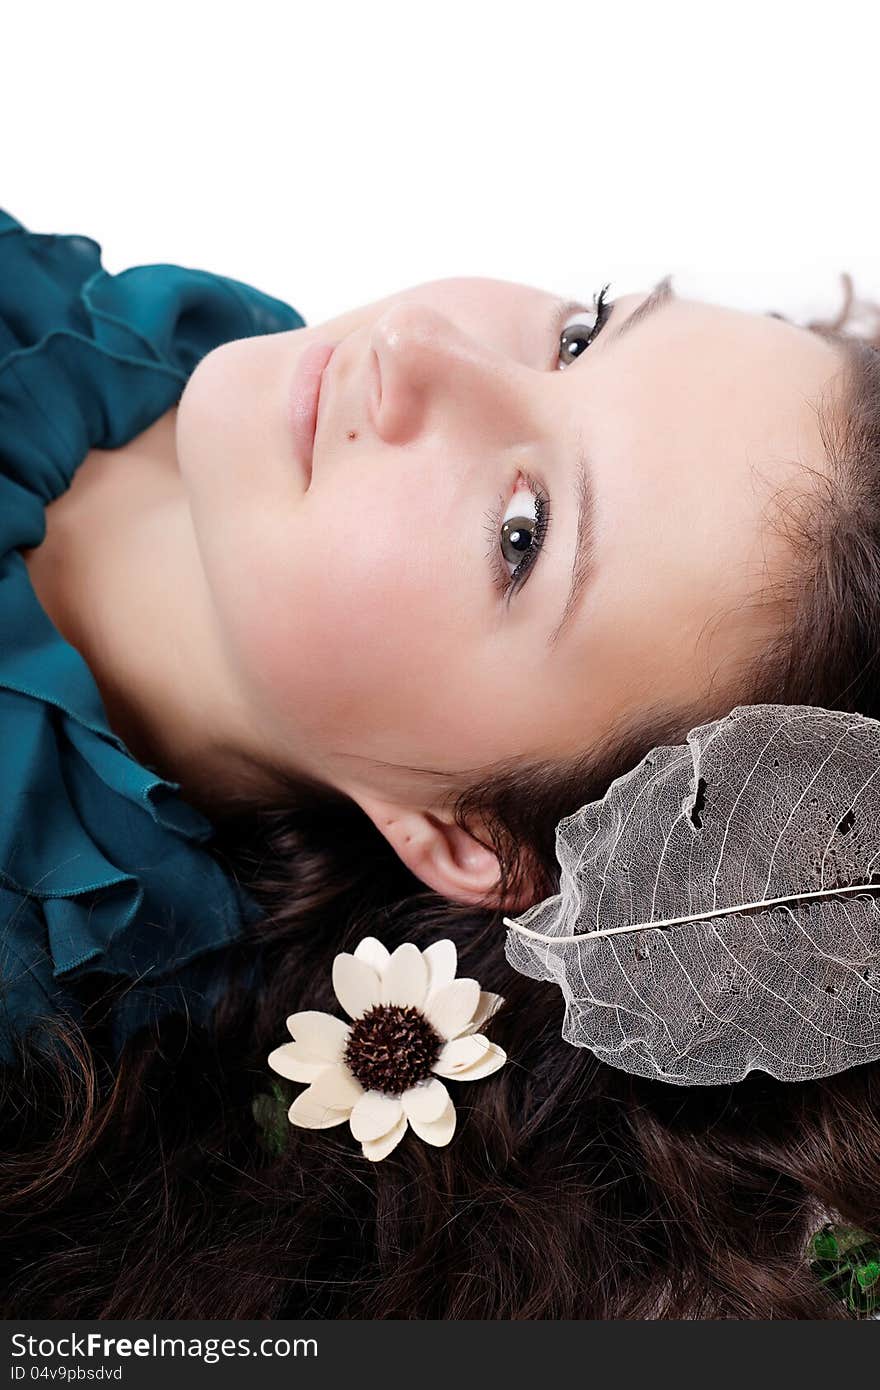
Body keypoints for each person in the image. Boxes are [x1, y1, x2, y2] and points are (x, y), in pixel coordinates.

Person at [1, 207, 878, 1318]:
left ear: (470, 836)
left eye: (522, 532)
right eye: (580, 337)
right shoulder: (141, 351)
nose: (418, 349)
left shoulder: (35, 958)